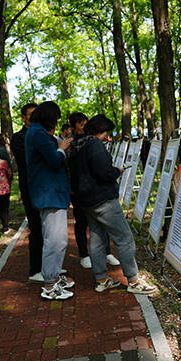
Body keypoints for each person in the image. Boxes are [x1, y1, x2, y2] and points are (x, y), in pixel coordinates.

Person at [68, 114, 157, 294]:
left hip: (85, 200)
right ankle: (133, 281)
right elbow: (103, 171)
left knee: (97, 238)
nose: (106, 136)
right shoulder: (94, 144)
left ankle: (101, 279)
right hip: (102, 199)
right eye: (106, 132)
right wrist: (115, 171)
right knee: (124, 238)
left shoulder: (76, 144)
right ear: (98, 130)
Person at [25, 101, 75, 301]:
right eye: (55, 118)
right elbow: (54, 160)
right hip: (49, 193)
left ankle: (53, 277)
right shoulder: (38, 134)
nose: (56, 122)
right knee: (56, 240)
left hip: (51, 193)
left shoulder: (37, 132)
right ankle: (50, 285)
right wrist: (62, 148)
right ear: (48, 116)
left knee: (56, 239)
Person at [67, 112, 120, 269]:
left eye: (85, 123)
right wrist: (113, 172)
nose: (83, 126)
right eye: (80, 124)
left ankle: (107, 254)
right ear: (73, 125)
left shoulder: (90, 142)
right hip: (79, 191)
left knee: (99, 228)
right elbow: (101, 170)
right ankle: (84, 254)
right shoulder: (70, 143)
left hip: (93, 192)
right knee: (82, 223)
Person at [11, 102, 45, 284]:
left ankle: (48, 265)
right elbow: (29, 160)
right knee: (36, 229)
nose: (35, 117)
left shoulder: (43, 133)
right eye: (31, 115)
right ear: (23, 117)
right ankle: (35, 270)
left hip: (45, 187)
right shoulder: (18, 138)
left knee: (48, 229)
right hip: (30, 188)